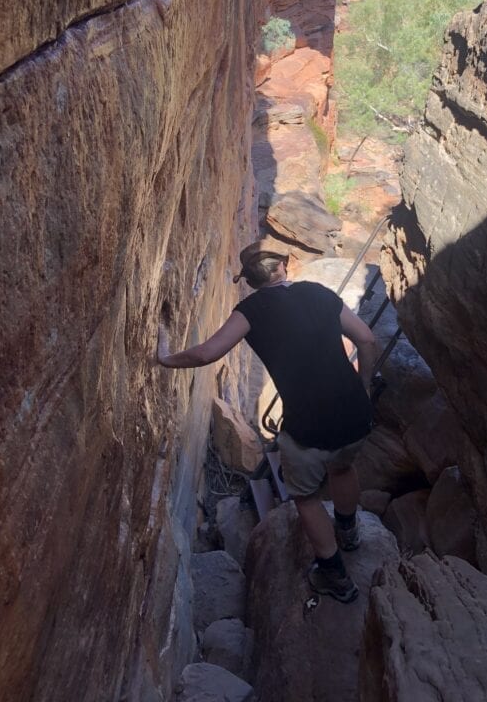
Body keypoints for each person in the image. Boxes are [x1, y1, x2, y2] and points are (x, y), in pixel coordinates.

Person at [157, 238, 380, 603]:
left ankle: (335, 577)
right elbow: (367, 339)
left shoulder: (250, 311)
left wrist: (165, 358)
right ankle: (349, 530)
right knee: (342, 468)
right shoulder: (318, 293)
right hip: (354, 412)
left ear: (249, 280)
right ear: (284, 266)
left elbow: (206, 353)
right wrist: (365, 387)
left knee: (306, 497)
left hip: (307, 426)